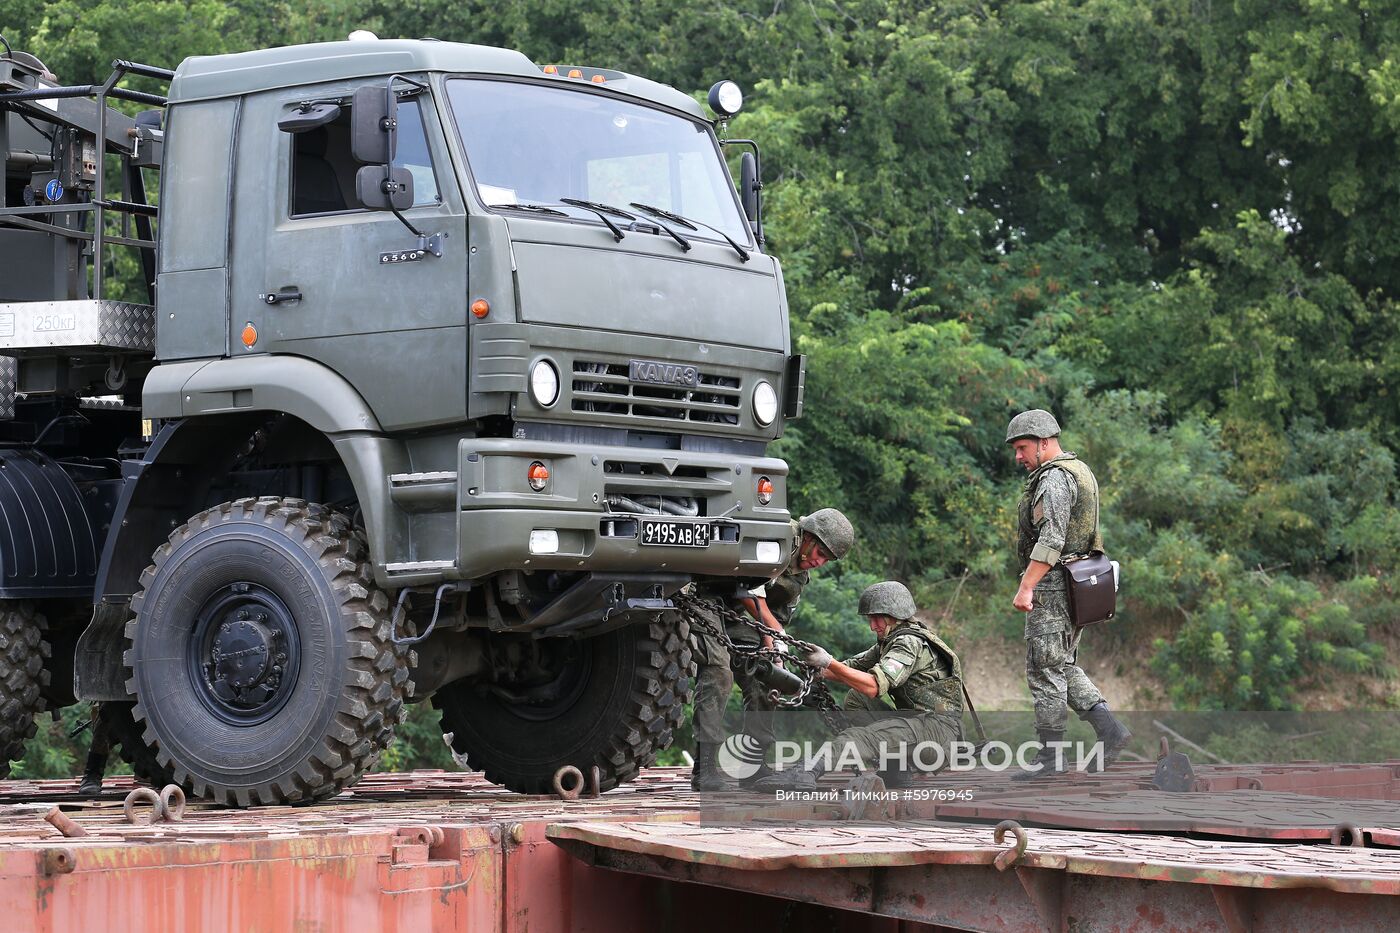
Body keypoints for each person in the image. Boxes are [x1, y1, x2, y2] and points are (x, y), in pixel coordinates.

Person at [688, 508, 854, 791]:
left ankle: (751, 765)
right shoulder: (779, 537)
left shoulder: (800, 575)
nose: (819, 561)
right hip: (706, 596)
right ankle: (704, 768)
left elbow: (776, 616)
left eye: (827, 559)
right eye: (820, 552)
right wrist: (773, 634)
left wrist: (775, 651)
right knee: (719, 671)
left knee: (767, 677)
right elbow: (750, 590)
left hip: (743, 616)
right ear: (809, 537)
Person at [1005, 409, 1130, 780]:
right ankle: (1109, 729)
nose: (1018, 457)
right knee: (1061, 665)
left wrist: (1027, 585)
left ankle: (1050, 758)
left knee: (1043, 671)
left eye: (1023, 448)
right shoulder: (1080, 470)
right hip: (1078, 584)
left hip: (1055, 587)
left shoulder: (1055, 479)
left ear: (1044, 443)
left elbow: (1051, 539)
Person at [756, 581, 965, 791]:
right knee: (857, 698)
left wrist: (829, 662)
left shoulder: (908, 643)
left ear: (895, 615)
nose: (872, 626)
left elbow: (873, 685)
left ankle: (805, 772)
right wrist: (804, 665)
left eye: (877, 619)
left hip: (937, 734)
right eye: (870, 619)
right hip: (919, 723)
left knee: (862, 736)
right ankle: (896, 770)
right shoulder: (889, 641)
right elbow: (847, 669)